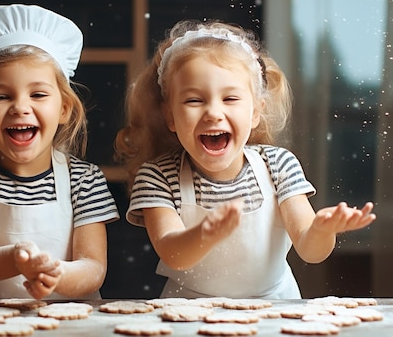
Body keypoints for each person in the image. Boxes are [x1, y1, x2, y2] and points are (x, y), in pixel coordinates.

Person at [114, 19, 377, 299]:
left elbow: (310, 251)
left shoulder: (278, 165)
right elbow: (173, 253)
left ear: (255, 113)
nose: (213, 113)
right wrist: (205, 234)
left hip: (276, 308)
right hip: (189, 310)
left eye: (230, 99)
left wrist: (322, 230)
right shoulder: (156, 176)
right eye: (194, 100)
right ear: (170, 116)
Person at [0, 4, 119, 300]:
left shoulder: (85, 180)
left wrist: (54, 274)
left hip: (67, 326)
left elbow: (93, 268)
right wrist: (16, 259)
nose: (20, 107)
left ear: (64, 109)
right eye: (2, 96)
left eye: (38, 94)